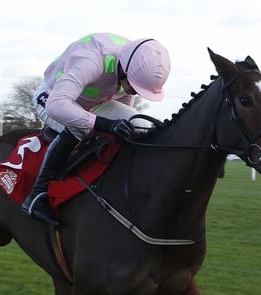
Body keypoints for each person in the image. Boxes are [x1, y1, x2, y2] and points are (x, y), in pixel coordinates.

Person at [22, 33, 171, 225]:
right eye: (135, 86)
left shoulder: (132, 60)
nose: (135, 91)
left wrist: (124, 125)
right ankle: (36, 195)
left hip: (93, 101)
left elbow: (124, 98)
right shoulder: (92, 61)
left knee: (140, 124)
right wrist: (106, 124)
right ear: (125, 71)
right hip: (53, 96)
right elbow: (57, 105)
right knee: (81, 128)